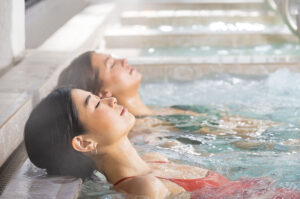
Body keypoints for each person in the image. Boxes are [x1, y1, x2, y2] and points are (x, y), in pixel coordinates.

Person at [24, 88, 300, 199]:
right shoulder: (144, 188)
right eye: (96, 104)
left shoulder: (154, 161)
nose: (109, 100)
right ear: (84, 143)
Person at [57, 51, 275, 139]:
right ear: (103, 93)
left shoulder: (157, 113)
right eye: (112, 64)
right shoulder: (147, 129)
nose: (123, 60)